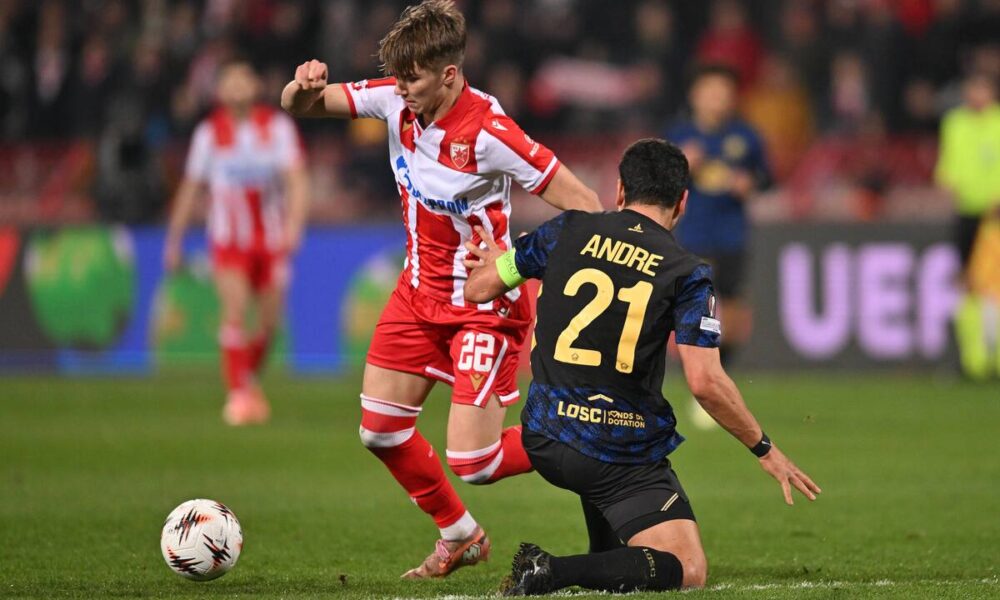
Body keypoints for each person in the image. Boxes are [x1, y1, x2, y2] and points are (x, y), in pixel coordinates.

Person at [280, 0, 601, 579]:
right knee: (379, 430)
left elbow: (586, 205)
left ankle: (589, 432)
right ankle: (460, 536)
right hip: (417, 295)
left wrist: (519, 259)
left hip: (482, 305)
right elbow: (301, 106)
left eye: (414, 80)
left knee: (474, 461)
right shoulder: (394, 99)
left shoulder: (490, 132)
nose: (401, 91)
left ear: (450, 75)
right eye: (398, 78)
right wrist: (302, 87)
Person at [462, 139, 820, 594]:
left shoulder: (565, 231)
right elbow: (705, 382)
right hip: (617, 448)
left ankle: (600, 562)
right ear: (683, 203)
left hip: (546, 436)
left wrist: (504, 261)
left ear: (619, 191)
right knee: (687, 569)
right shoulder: (686, 273)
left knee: (617, 553)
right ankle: (551, 570)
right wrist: (765, 449)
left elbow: (480, 288)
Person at [164, 59, 309, 426]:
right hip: (228, 240)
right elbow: (190, 189)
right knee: (234, 310)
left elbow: (297, 180)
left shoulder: (276, 127)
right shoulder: (208, 134)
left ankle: (247, 383)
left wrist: (294, 225)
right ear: (220, 91)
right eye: (230, 79)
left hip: (271, 238)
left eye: (244, 77)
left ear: (256, 85)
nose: (238, 85)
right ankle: (238, 396)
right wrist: (174, 240)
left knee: (269, 323)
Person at [665, 64, 771, 368]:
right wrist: (681, 166)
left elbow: (767, 178)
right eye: (710, 91)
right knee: (696, 305)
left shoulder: (746, 136)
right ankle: (700, 372)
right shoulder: (678, 135)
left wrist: (750, 182)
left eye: (723, 93)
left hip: (732, 232)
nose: (717, 99)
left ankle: (723, 367)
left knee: (734, 305)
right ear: (694, 95)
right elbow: (657, 183)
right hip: (692, 232)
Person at [934, 72, 1000, 380]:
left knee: (993, 287)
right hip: (966, 214)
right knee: (968, 284)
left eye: (982, 87)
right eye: (972, 86)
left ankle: (994, 358)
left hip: (996, 217)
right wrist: (947, 186)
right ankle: (972, 360)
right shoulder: (955, 122)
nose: (976, 93)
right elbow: (948, 166)